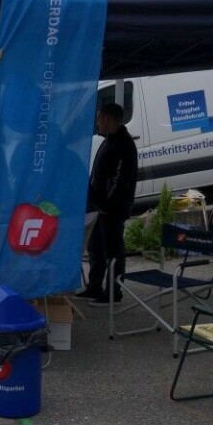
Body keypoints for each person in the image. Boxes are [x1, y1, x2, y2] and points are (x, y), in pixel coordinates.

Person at [76, 102, 139, 305]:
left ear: (108, 120)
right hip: (99, 207)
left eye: (99, 118)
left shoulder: (123, 145)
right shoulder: (109, 140)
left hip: (112, 209)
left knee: (113, 250)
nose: (97, 122)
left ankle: (114, 292)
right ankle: (95, 286)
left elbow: (120, 180)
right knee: (96, 248)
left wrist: (106, 204)